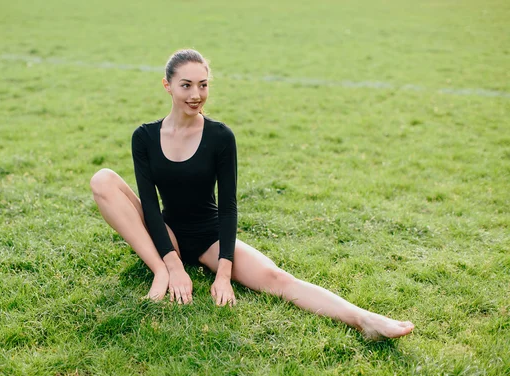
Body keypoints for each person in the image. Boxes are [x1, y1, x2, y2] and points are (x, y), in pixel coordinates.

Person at [90, 49, 414, 340]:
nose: (196, 94)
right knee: (103, 179)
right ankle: (159, 267)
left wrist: (224, 273)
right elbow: (148, 203)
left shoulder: (220, 136)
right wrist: (169, 267)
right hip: (166, 231)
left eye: (203, 85)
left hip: (209, 236)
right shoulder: (145, 136)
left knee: (276, 277)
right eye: (186, 85)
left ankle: (363, 320)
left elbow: (228, 207)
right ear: (167, 86)